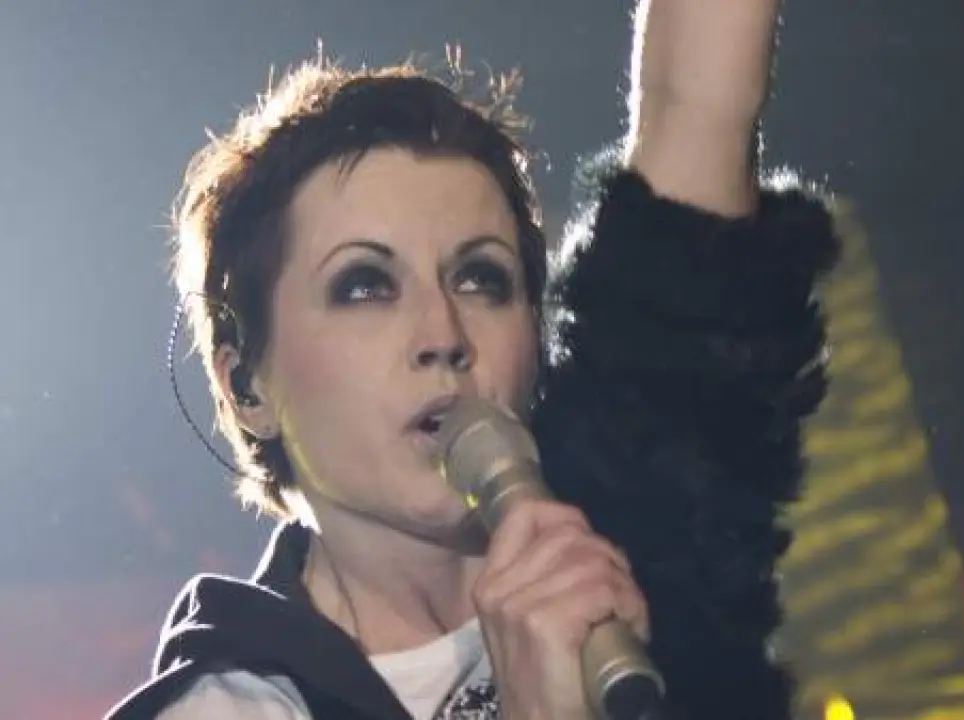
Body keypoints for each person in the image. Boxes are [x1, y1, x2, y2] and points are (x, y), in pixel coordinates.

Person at [107, 1, 839, 718]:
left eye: (481, 278)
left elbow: (696, 107)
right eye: (364, 286)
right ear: (245, 386)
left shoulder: (640, 519)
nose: (444, 333)